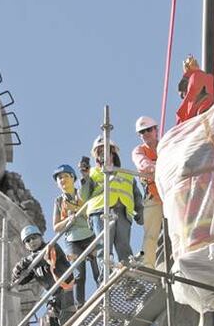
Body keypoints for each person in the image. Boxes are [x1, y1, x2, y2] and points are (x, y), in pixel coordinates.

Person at [81, 136, 143, 269]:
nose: (103, 155)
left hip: (123, 212)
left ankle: (130, 282)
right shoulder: (92, 173)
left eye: (106, 151)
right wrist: (85, 177)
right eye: (100, 152)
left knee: (124, 248)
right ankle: (105, 277)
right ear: (96, 156)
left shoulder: (126, 174)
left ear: (113, 153)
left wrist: (141, 213)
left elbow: (136, 195)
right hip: (100, 212)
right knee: (104, 247)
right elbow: (84, 196)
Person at [10, 225, 75, 326]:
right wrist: (16, 273)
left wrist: (22, 263)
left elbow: (41, 257)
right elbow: (22, 280)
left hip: (66, 289)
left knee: (66, 322)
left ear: (40, 237)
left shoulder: (52, 247)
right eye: (27, 241)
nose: (31, 242)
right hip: (55, 297)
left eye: (34, 237)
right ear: (25, 246)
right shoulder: (33, 265)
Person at [51, 164, 100, 307]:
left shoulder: (81, 194)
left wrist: (81, 212)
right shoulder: (59, 202)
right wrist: (68, 219)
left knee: (99, 269)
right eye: (59, 178)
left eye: (65, 176)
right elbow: (56, 227)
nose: (62, 180)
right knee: (79, 274)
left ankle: (104, 296)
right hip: (72, 241)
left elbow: (93, 209)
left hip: (89, 234)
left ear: (73, 178)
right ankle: (80, 306)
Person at [130, 116, 164, 265]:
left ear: (156, 130)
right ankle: (149, 266)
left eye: (149, 130)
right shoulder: (139, 151)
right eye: (142, 132)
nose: (146, 134)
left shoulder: (166, 146)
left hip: (170, 196)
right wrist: (162, 168)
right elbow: (143, 165)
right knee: (151, 235)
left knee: (176, 232)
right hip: (154, 198)